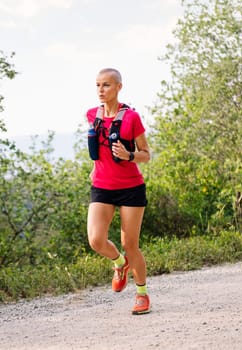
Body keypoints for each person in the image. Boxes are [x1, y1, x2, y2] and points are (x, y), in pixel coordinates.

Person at [86, 68, 151, 315]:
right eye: (98, 85)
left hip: (131, 189)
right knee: (96, 240)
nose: (101, 91)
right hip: (102, 186)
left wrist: (130, 155)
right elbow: (98, 148)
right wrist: (95, 167)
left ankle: (142, 294)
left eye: (107, 85)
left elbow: (147, 154)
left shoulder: (131, 117)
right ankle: (119, 264)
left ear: (119, 87)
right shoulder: (92, 115)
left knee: (130, 244)